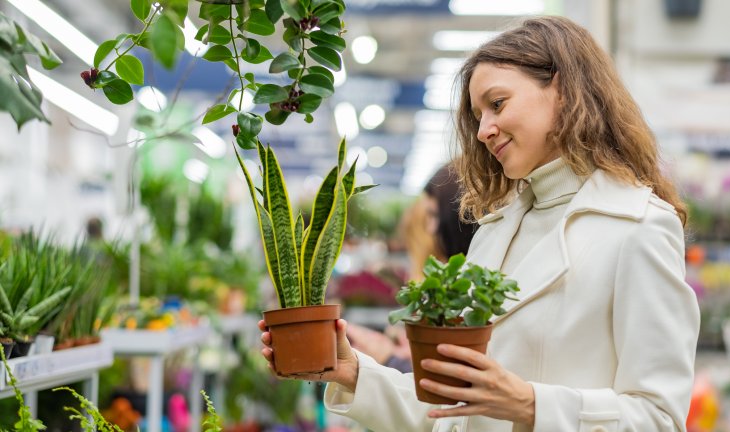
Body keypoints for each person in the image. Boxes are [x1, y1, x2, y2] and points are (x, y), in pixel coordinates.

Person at [259, 15, 700, 432]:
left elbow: (659, 417)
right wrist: (354, 372)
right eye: (478, 115)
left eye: (497, 104)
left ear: (562, 90)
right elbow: (452, 412)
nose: (484, 129)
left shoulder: (638, 227)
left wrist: (531, 404)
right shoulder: (495, 230)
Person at [346, 164, 479, 373]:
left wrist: (390, 358)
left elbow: (447, 380)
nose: (431, 229)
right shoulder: (457, 285)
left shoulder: (467, 293)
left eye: (434, 216)